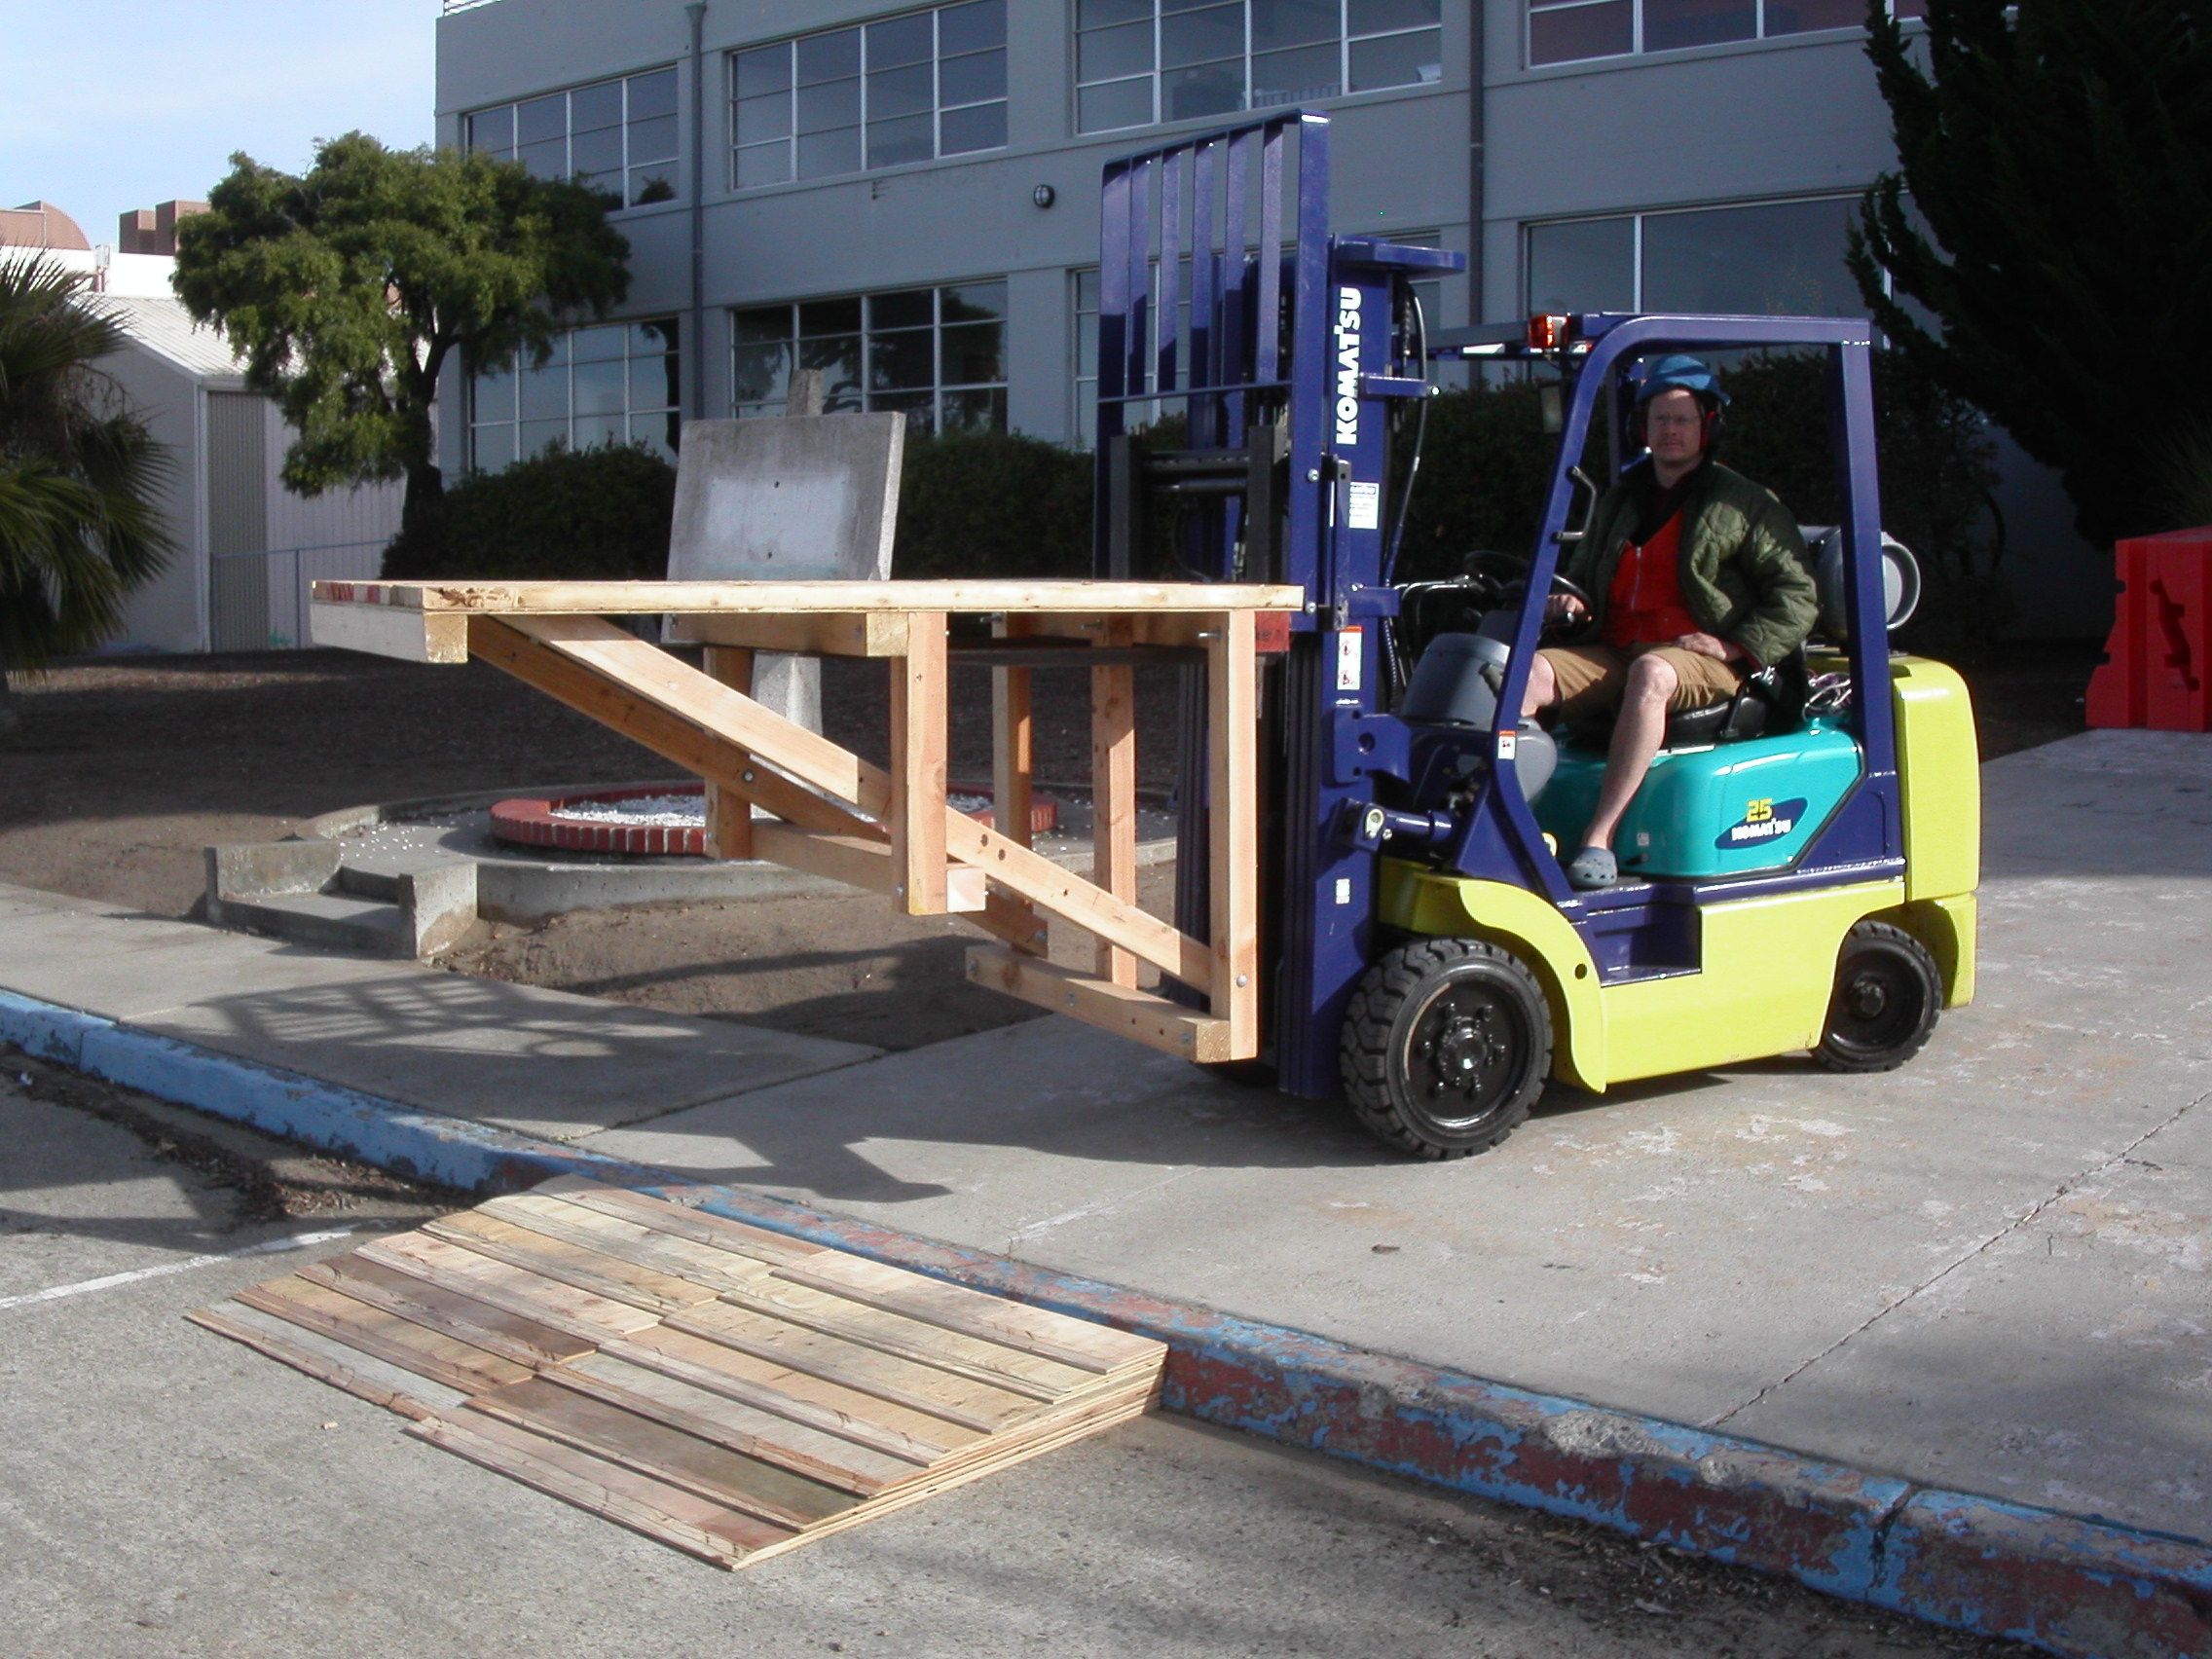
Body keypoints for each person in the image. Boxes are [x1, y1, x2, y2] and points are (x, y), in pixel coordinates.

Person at [1520, 354, 1818, 890]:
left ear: (1708, 426)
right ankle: (1513, 821)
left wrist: (1735, 646)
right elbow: (1583, 577)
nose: (1671, 429)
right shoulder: (1621, 499)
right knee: (1524, 673)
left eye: (1683, 419)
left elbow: (1797, 596)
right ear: (1643, 427)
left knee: (1652, 673)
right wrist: (1571, 605)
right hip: (1617, 646)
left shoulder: (1745, 503)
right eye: (1661, 419)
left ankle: (1599, 837)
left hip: (1704, 657)